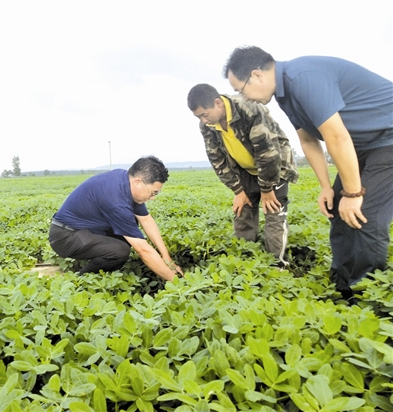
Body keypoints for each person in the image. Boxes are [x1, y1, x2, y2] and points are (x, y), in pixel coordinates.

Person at [223, 46, 393, 301]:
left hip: (387, 138)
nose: (244, 98)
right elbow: (309, 140)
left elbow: (336, 135)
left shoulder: (302, 77)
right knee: (338, 210)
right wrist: (327, 187)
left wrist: (354, 192)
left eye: (241, 90)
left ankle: (368, 297)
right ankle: (343, 286)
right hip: (362, 144)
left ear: (257, 75)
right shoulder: (284, 94)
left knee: (364, 214)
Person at [187, 84, 298, 266]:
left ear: (218, 103)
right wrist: (238, 190)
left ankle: (276, 266)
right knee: (243, 210)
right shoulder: (207, 126)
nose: (203, 120)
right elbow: (217, 159)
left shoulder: (248, 108)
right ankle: (244, 262)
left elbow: (267, 152)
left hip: (274, 167)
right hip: (244, 170)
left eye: (204, 114)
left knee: (273, 212)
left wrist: (267, 189)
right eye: (198, 117)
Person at [49, 155, 183, 280]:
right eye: (153, 192)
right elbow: (142, 250)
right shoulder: (115, 200)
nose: (153, 198)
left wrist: (166, 258)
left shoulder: (125, 181)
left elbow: (146, 220)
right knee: (119, 251)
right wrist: (176, 281)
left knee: (129, 231)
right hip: (65, 237)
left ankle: (95, 262)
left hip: (84, 231)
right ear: (138, 182)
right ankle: (82, 279)